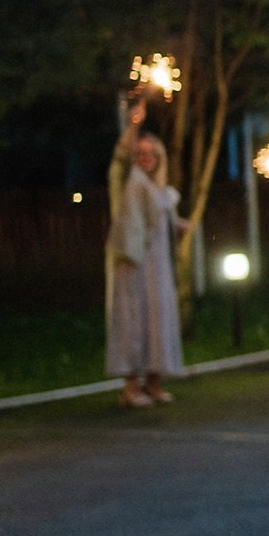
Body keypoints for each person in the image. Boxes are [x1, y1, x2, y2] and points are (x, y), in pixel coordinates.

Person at [106, 116, 189, 407]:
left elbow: (156, 218)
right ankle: (130, 386)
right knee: (133, 318)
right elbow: (120, 159)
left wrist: (177, 223)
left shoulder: (159, 188)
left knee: (158, 317)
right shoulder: (129, 179)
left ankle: (153, 382)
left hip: (159, 265)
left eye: (151, 153)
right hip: (133, 261)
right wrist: (133, 125)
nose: (145, 158)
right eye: (140, 153)